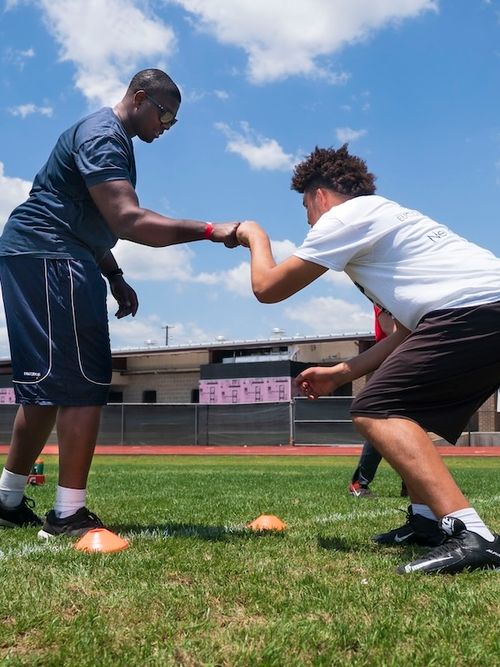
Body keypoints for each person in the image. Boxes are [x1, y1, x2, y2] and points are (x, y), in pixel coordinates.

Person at [236, 144, 500, 574]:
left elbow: (268, 288)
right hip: (484, 309)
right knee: (406, 409)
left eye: (305, 206)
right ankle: (427, 522)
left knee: (377, 410)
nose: (307, 218)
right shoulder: (389, 217)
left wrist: (254, 237)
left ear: (320, 195)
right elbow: (403, 333)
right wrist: (342, 372)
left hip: (471, 310)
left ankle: (472, 536)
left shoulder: (345, 216)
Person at [0, 68, 240, 539]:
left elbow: (90, 216)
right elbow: (128, 219)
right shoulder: (103, 135)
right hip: (51, 252)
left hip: (42, 249)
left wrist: (114, 276)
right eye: (165, 115)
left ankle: (6, 499)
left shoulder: (109, 139)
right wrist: (212, 230)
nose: (166, 126)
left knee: (49, 385)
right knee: (86, 378)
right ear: (141, 97)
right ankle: (68, 513)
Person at [348, 306, 408, 498]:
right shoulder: (384, 297)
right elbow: (392, 331)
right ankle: (360, 483)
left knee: (410, 424)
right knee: (381, 423)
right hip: (394, 365)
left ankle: (412, 483)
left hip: (408, 362)